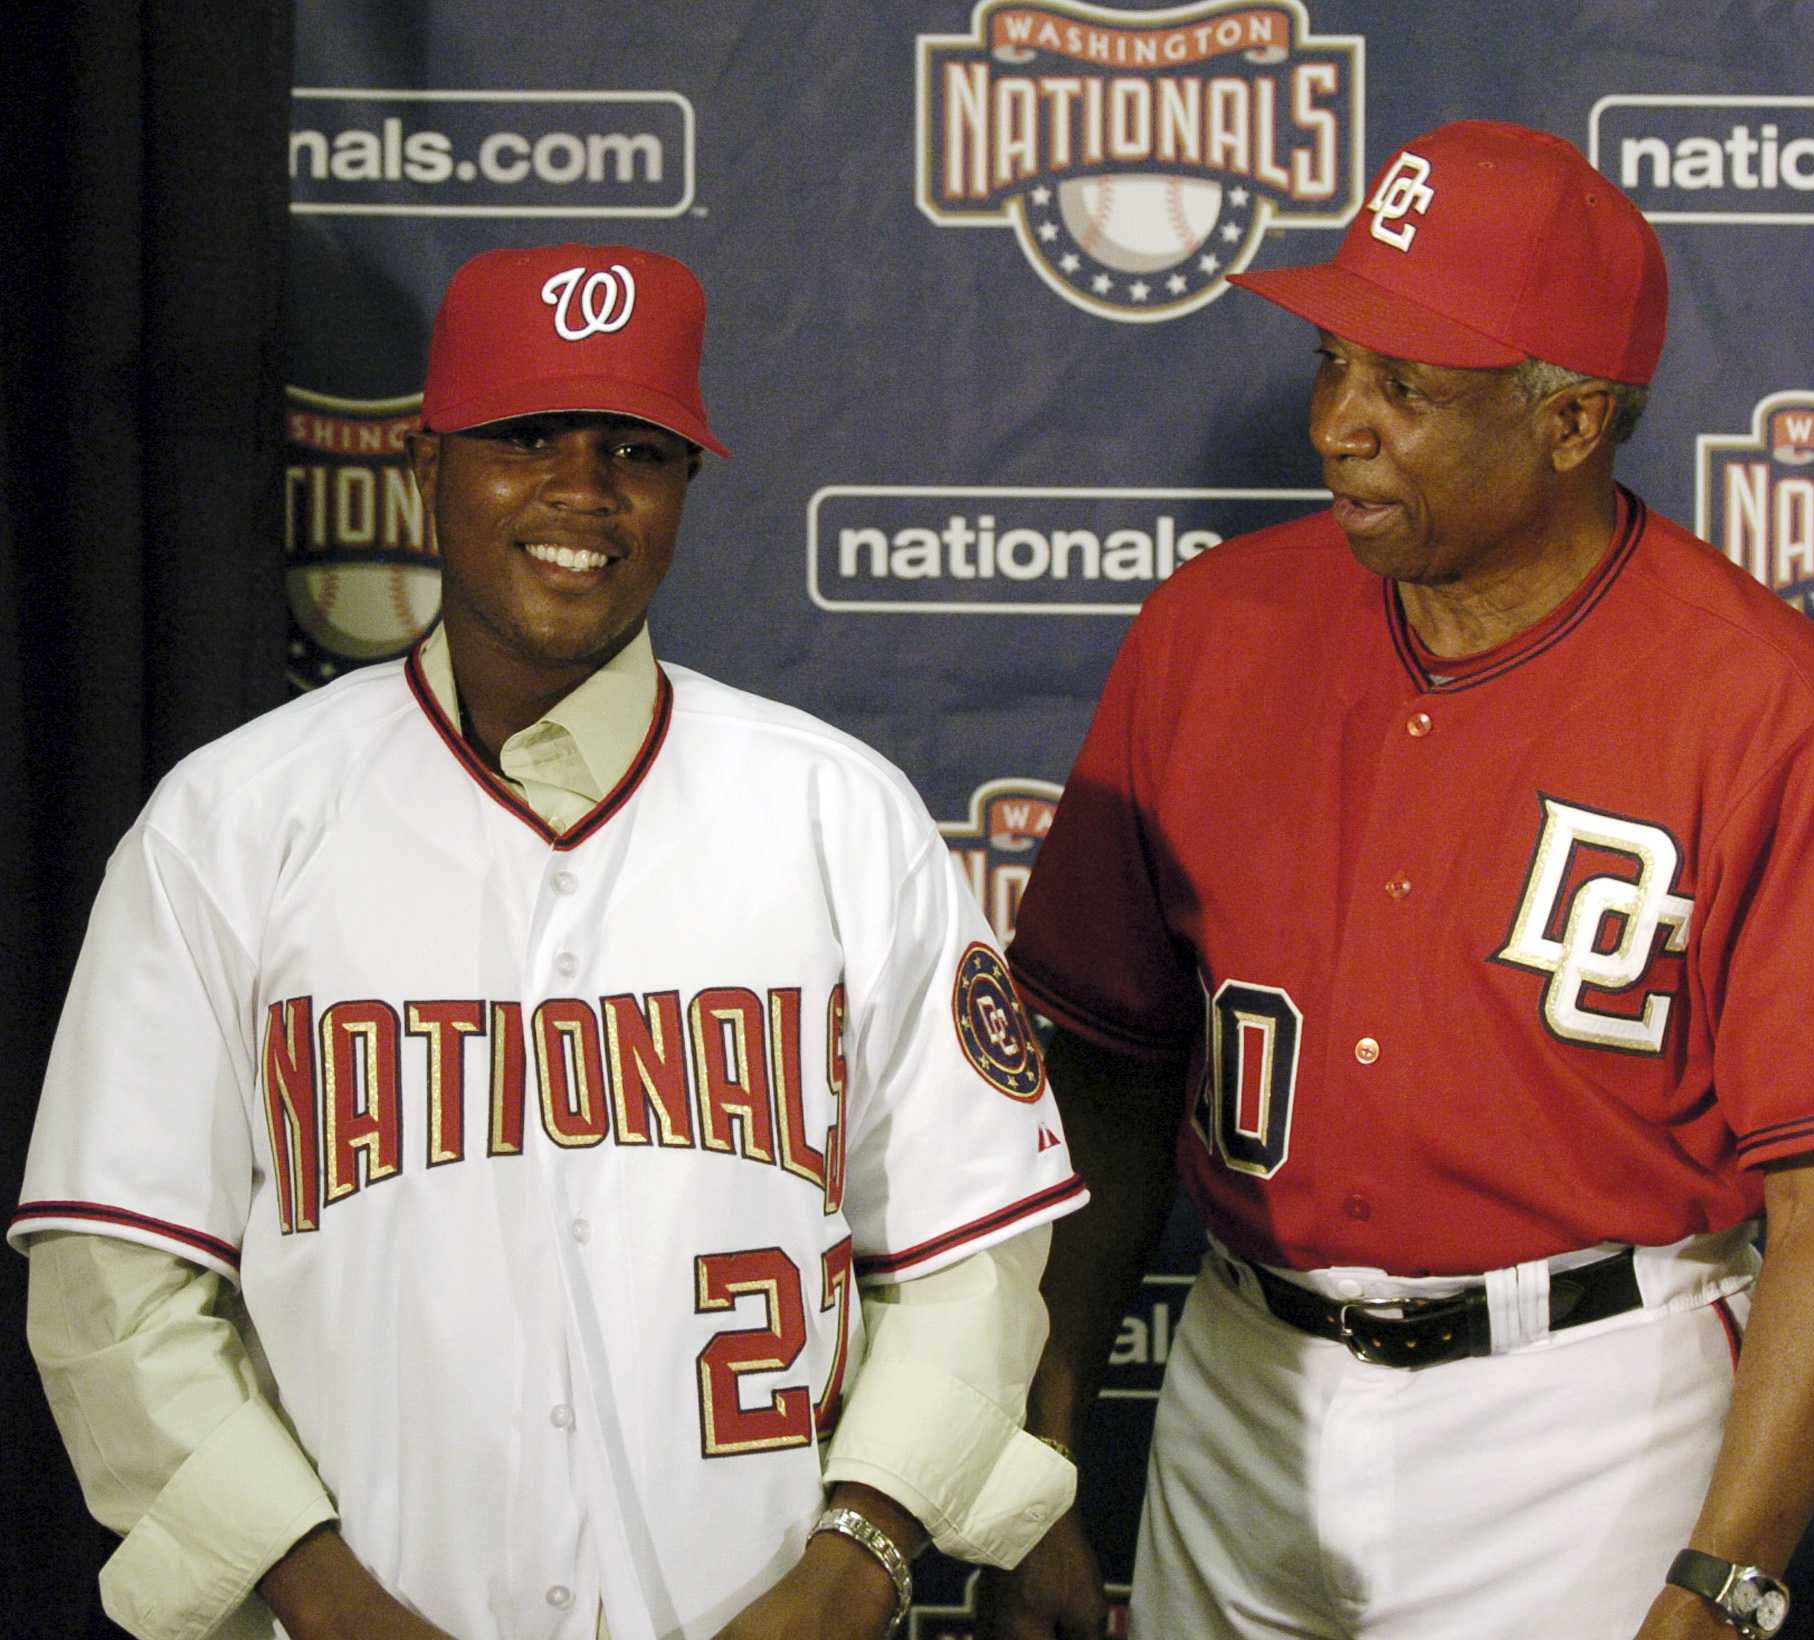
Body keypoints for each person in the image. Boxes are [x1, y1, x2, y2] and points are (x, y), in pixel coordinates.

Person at [12, 243, 1086, 1640]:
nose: (583, 492)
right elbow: (115, 1287)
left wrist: (852, 1569)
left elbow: (972, 1263)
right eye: (527, 437)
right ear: (428, 465)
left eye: (637, 449)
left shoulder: (838, 815)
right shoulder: (228, 826)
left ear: (686, 488)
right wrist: (325, 1602)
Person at [977, 120, 1814, 1640]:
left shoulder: (1762, 698)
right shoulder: (1211, 636)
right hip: (1242, 1384)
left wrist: (1725, 1580)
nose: (1339, 423)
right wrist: (1040, 1457)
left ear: (1571, 423)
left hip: (1584, 1419)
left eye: (1406, 387)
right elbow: (1102, 1087)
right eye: (1334, 365)